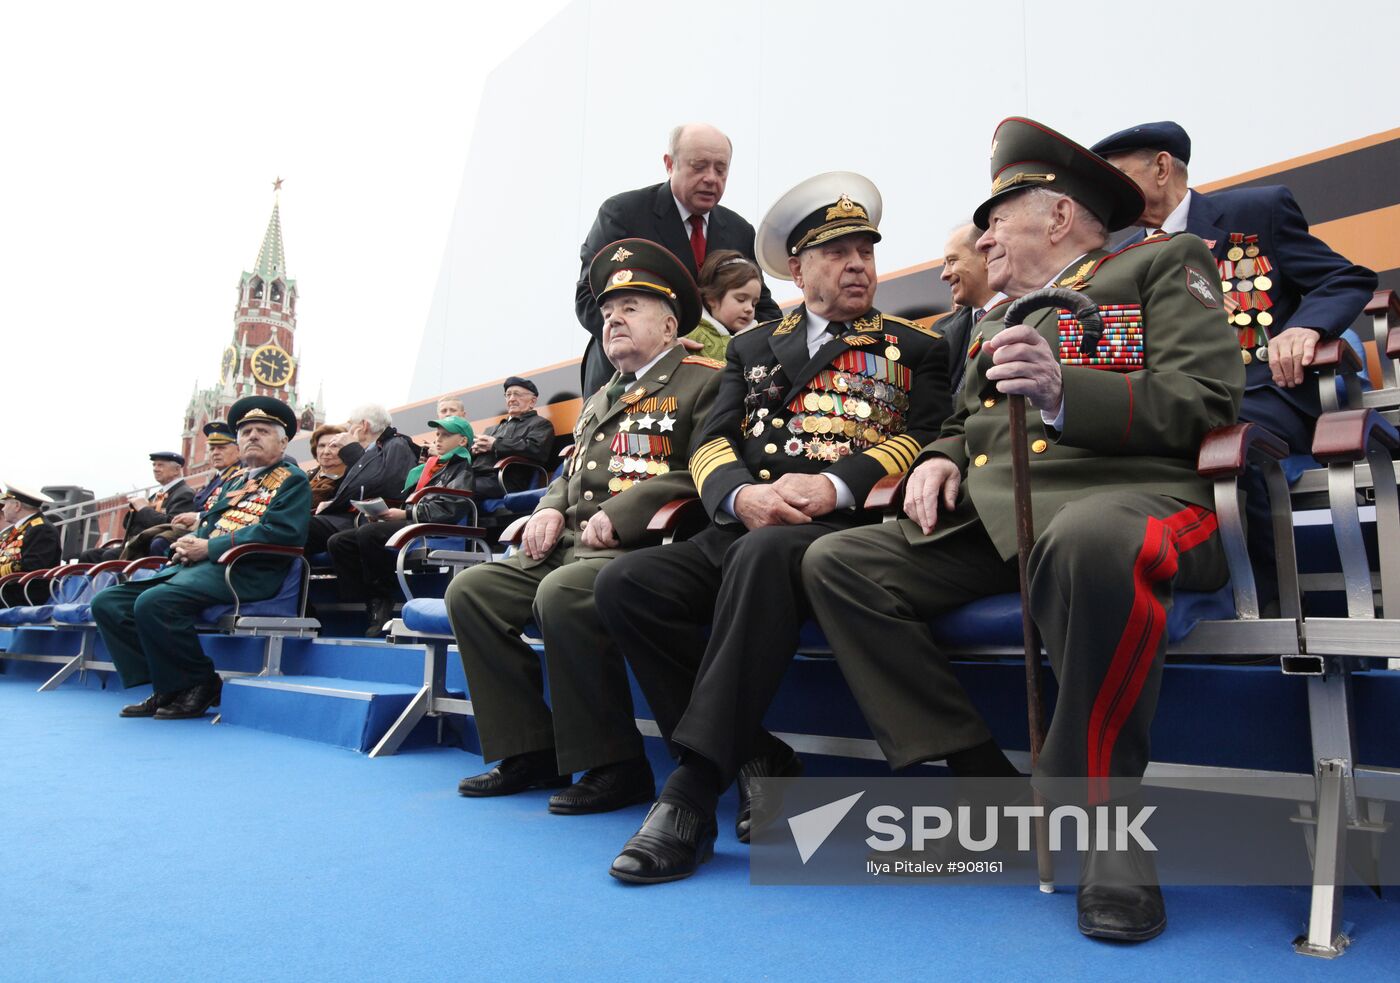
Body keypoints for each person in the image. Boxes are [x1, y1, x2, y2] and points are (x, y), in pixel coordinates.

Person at [799, 118, 1243, 943]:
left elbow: (1208, 400)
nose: (984, 232)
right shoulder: (997, 317)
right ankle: (980, 778)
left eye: (1000, 214)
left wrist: (1067, 391)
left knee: (1088, 540)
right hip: (1006, 515)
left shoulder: (1159, 264)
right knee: (838, 562)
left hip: (1133, 498)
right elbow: (967, 420)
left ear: (1061, 218)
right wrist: (935, 456)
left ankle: (1104, 827)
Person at [591, 173, 952, 884]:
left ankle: (691, 791)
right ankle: (759, 756)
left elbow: (932, 434)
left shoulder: (916, 347)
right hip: (747, 521)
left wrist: (836, 483)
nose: (858, 266)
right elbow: (710, 441)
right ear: (797, 268)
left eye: (865, 252)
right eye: (837, 252)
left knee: (762, 557)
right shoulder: (751, 347)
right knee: (625, 584)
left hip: (842, 533)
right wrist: (737, 498)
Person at [445, 239, 722, 814]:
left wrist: (620, 516)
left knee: (563, 593)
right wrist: (547, 507)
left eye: (632, 307)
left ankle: (615, 765)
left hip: (647, 545)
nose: (613, 319)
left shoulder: (704, 380)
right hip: (571, 540)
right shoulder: (600, 399)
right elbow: (570, 475)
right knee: (472, 590)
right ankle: (531, 749)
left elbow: (706, 470)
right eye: (607, 312)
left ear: (670, 325)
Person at [1091, 120, 1378, 608]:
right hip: (1178, 400)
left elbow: (1345, 278)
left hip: (1265, 391)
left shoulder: (1256, 211)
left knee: (1231, 442)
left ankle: (1270, 609)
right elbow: (1120, 357)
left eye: (1119, 176)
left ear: (1161, 167)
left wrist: (1304, 328)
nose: (1110, 194)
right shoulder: (1119, 259)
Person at [91, 396, 311, 720]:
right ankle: (168, 685)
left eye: (263, 430)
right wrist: (186, 545)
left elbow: (280, 532)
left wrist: (209, 548)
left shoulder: (291, 480)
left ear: (283, 441)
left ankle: (201, 683)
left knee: (155, 602)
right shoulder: (236, 480)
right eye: (246, 430)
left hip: (246, 570)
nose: (252, 435)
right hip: (202, 567)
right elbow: (211, 524)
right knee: (108, 603)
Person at [574, 123, 781, 393]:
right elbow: (589, 300)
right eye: (699, 166)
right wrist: (660, 345)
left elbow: (764, 310)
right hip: (628, 384)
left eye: (721, 169)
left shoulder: (740, 231)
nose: (711, 178)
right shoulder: (624, 215)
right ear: (670, 164)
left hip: (711, 391)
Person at [327, 415, 477, 636]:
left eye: (445, 435)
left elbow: (449, 510)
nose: (438, 439)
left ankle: (382, 600)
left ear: (462, 441)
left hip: (433, 528)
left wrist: (404, 513)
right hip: (414, 521)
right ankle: (364, 601)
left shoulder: (461, 468)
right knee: (339, 541)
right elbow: (410, 501)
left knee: (370, 534)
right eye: (437, 434)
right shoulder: (429, 467)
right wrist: (382, 513)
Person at [305, 405, 418, 555]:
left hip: (368, 518)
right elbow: (359, 485)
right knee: (297, 525)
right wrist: (333, 502)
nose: (347, 428)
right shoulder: (369, 450)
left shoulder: (396, 443)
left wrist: (351, 448)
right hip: (350, 516)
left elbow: (387, 485)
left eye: (350, 424)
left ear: (364, 426)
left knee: (304, 526)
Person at [125, 422, 245, 559]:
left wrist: (198, 516)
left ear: (238, 450)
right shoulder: (216, 478)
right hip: (200, 528)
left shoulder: (239, 477)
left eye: (221, 448)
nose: (215, 453)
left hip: (216, 531)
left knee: (161, 542)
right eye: (212, 449)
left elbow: (228, 509)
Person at [81, 452, 197, 561]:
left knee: (109, 556)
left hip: (153, 545)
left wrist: (143, 509)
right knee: (88, 555)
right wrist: (134, 510)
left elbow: (172, 524)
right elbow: (130, 526)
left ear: (176, 470)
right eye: (154, 465)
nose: (155, 469)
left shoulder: (184, 493)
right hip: (138, 543)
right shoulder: (158, 494)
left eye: (160, 465)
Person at [938, 222, 1000, 394]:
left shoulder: (1029, 315)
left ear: (986, 257)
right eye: (944, 264)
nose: (944, 274)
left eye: (952, 261)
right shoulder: (939, 333)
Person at [467, 377, 556, 498]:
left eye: (517, 395)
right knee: (443, 488)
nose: (512, 399)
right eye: (508, 395)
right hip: (474, 476)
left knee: (457, 490)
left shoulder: (540, 424)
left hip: (503, 479)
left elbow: (536, 449)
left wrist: (495, 445)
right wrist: (474, 451)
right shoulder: (491, 429)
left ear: (532, 401)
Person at [683, 250, 765, 361]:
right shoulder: (691, 338)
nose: (749, 309)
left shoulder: (759, 338)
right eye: (741, 299)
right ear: (711, 298)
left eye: (754, 304)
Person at [0, 485, 61, 605]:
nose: (3, 509)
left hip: (25, 592)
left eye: (6, 504)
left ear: (17, 506)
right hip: (9, 587)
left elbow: (32, 566)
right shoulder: (21, 528)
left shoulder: (42, 529)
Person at [306, 424, 348, 508]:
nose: (326, 452)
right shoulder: (310, 474)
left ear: (346, 449)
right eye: (321, 446)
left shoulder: (349, 480)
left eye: (333, 446)